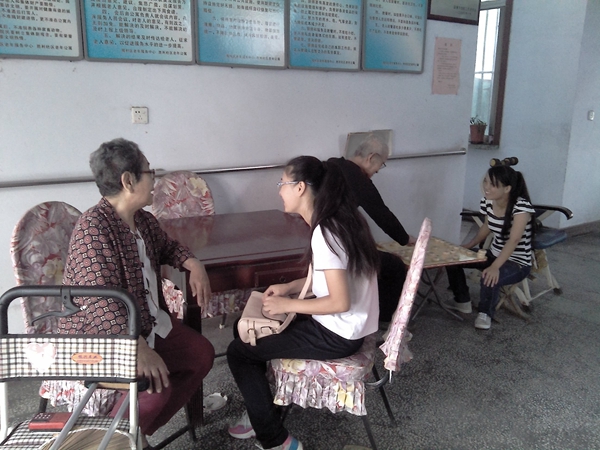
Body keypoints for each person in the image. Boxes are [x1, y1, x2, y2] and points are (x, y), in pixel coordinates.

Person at [58, 138, 215, 449]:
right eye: (149, 172)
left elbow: (168, 247)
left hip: (148, 324)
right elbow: (99, 301)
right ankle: (112, 440)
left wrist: (192, 262)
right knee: (155, 388)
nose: (154, 180)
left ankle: (134, 435)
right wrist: (136, 346)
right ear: (128, 180)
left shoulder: (143, 219)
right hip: (102, 338)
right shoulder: (93, 228)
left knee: (201, 355)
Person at [227, 156, 380, 450]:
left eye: (282, 183)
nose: (279, 191)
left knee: (239, 352)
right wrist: (289, 288)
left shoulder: (326, 232)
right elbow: (331, 278)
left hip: (337, 334)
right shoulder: (340, 220)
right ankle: (261, 409)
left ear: (299, 188)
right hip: (347, 326)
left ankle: (276, 439)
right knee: (244, 328)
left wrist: (287, 305)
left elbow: (339, 300)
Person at [328, 135, 416, 322]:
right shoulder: (358, 178)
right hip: (336, 246)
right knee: (395, 266)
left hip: (323, 238)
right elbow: (381, 213)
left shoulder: (332, 164)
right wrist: (405, 238)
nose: (377, 171)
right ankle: (385, 318)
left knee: (376, 254)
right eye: (381, 164)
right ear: (371, 157)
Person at [445, 165, 535, 330]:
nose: (486, 187)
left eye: (493, 184)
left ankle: (485, 313)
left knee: (489, 276)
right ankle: (463, 301)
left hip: (517, 262)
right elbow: (486, 227)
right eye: (486, 182)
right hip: (493, 254)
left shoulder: (521, 207)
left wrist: (495, 267)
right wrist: (467, 246)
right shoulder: (487, 201)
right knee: (453, 259)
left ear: (507, 188)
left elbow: (514, 240)